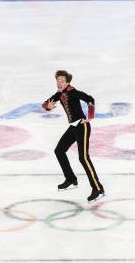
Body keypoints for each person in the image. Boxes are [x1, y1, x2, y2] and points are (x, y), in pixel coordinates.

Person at [42, 70, 105, 202]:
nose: (59, 83)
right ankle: (70, 178)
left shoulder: (72, 91)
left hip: (82, 126)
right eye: (58, 81)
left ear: (67, 82)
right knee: (59, 151)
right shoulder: (59, 94)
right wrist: (48, 106)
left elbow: (90, 99)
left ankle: (97, 188)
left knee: (83, 158)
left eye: (62, 81)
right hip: (73, 127)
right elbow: (46, 103)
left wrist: (90, 117)